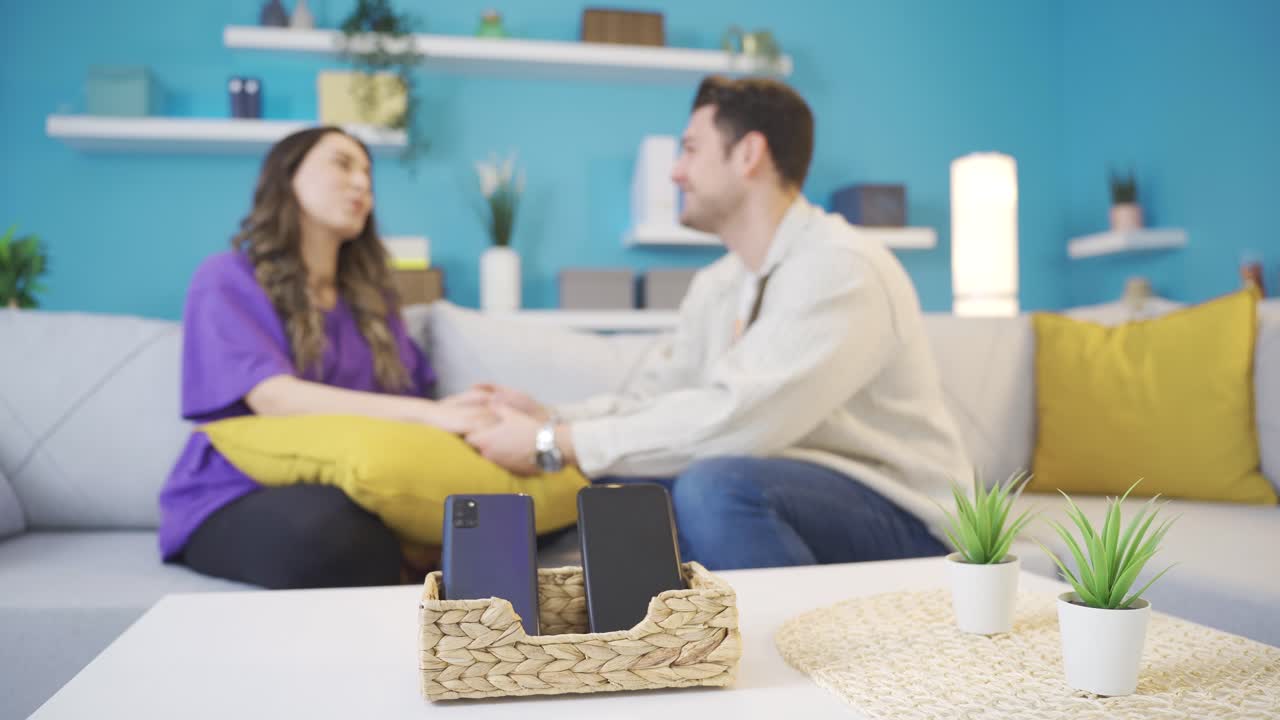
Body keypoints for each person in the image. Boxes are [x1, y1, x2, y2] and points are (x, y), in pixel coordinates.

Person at [465, 76, 973, 570]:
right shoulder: (719, 283)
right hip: (789, 483)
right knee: (625, 485)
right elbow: (659, 402)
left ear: (749, 154)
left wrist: (552, 445)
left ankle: (789, 645)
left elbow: (736, 421)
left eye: (689, 150)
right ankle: (653, 644)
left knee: (716, 486)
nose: (675, 173)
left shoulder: (841, 268)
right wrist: (551, 415)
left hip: (906, 517)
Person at [157, 127, 494, 589]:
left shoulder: (373, 304)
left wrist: (481, 413)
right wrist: (429, 414)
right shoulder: (226, 278)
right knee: (337, 540)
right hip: (237, 493)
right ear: (287, 176)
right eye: (342, 164)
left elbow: (417, 406)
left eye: (369, 175)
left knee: (502, 520)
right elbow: (273, 399)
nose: (362, 184)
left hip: (355, 488)